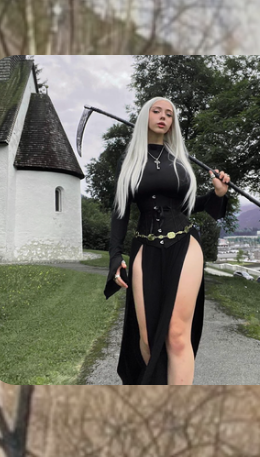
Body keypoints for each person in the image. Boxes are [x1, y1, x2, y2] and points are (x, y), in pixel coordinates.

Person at [103, 96, 232, 385]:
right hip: (145, 246)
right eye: (157, 111)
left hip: (184, 244)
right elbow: (120, 212)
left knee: (176, 334)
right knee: (148, 338)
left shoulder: (180, 160)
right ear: (145, 116)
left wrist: (218, 194)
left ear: (173, 123)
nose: (163, 117)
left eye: (169, 114)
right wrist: (115, 256)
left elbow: (189, 206)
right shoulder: (130, 161)